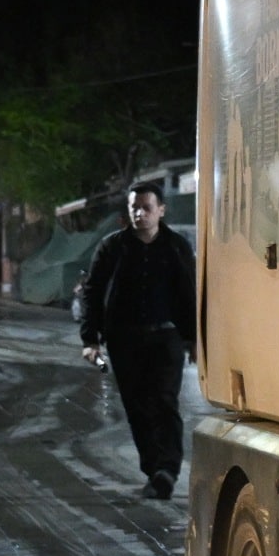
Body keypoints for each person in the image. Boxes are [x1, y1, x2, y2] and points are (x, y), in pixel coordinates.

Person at [79, 183, 196, 499]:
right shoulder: (112, 247)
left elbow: (190, 293)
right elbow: (92, 292)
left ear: (161, 210)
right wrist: (90, 339)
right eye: (134, 208)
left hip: (166, 337)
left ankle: (168, 469)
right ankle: (154, 469)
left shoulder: (176, 247)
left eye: (146, 207)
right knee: (136, 406)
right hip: (125, 339)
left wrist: (194, 339)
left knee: (165, 401)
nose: (140, 214)